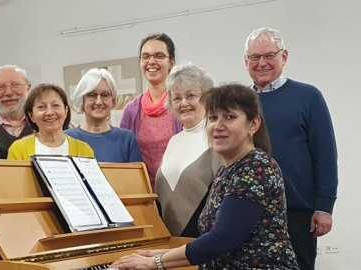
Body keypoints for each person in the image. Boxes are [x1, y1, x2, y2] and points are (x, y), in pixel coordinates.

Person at [111, 84, 299, 269]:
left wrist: (156, 262)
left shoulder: (255, 165)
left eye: (230, 117)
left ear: (253, 124)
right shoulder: (225, 171)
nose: (218, 126)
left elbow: (222, 239)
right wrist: (161, 253)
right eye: (213, 118)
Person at [244, 27, 337, 270]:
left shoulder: (308, 97)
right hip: (247, 213)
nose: (262, 63)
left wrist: (324, 207)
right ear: (246, 62)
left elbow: (325, 155)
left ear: (283, 57)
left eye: (269, 55)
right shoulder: (240, 102)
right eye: (255, 57)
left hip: (296, 214)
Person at [154, 64, 223, 238]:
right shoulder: (173, 141)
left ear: (207, 97)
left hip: (204, 239)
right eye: (177, 98)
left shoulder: (218, 137)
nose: (183, 103)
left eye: (191, 95)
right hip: (169, 241)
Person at [120, 33, 182, 188]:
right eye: (145, 56)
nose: (151, 61)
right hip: (144, 195)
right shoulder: (131, 111)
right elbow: (125, 160)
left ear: (171, 63)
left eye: (159, 56)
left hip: (179, 193)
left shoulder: (182, 105)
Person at [64, 68, 142, 163]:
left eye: (105, 95)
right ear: (82, 99)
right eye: (92, 95)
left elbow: (135, 177)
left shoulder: (127, 139)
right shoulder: (66, 138)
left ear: (113, 100)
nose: (99, 102)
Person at [7, 83, 94, 160]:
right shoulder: (18, 150)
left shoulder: (83, 149)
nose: (49, 112)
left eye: (55, 105)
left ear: (66, 111)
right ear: (31, 116)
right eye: (41, 107)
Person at [0, 65, 35, 148]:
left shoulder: (43, 125)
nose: (8, 92)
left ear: (28, 87)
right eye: (0, 87)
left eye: (15, 85)